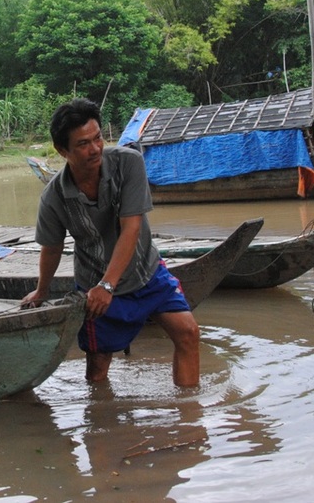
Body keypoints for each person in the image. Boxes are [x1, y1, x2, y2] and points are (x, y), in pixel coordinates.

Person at [21, 98, 200, 386]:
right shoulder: (53, 197)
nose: (94, 149)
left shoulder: (129, 164)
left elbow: (131, 228)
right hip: (95, 287)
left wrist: (109, 284)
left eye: (98, 138)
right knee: (97, 367)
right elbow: (52, 247)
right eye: (83, 144)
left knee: (188, 333)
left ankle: (190, 418)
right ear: (62, 150)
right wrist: (41, 291)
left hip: (146, 273)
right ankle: (101, 422)